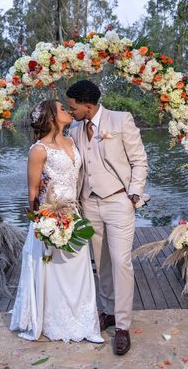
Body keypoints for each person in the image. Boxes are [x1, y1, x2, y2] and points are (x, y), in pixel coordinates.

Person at [10, 99, 104, 343]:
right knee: (55, 273)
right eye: (62, 108)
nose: (68, 111)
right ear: (52, 116)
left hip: (73, 214)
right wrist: (43, 223)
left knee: (79, 271)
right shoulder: (38, 150)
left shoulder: (73, 140)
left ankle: (84, 323)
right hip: (50, 219)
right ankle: (53, 322)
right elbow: (31, 194)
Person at [66, 80, 148, 355]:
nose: (71, 112)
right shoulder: (75, 128)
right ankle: (108, 311)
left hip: (118, 202)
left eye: (73, 107)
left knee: (121, 262)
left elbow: (139, 160)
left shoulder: (121, 120)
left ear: (88, 105)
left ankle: (122, 325)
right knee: (100, 263)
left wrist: (134, 194)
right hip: (89, 204)